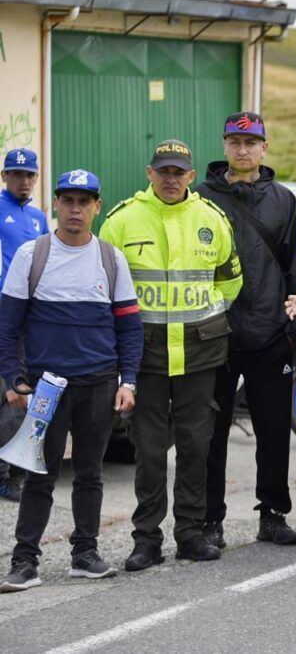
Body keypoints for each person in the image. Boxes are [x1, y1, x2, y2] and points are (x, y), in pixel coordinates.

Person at [100, 140, 243, 571]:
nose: (171, 179)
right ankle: (146, 539)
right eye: (163, 171)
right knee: (148, 449)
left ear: (190, 174)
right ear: (149, 173)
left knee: (197, 445)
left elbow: (230, 280)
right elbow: (103, 288)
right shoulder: (121, 221)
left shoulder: (212, 219)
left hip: (200, 350)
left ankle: (190, 534)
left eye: (179, 172)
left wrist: (207, 312)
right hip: (145, 354)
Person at [0, 169, 142, 592]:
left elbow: (129, 329)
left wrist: (128, 381)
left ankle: (85, 553)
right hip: (47, 388)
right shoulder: (33, 254)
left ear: (97, 207)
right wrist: (13, 379)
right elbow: (8, 327)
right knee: (38, 475)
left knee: (89, 473)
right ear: (56, 204)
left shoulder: (111, 259)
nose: (75, 209)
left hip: (99, 384)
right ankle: (24, 561)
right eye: (68, 201)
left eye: (84, 202)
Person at [198, 112, 296, 549]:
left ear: (265, 147)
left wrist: (293, 327)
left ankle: (273, 514)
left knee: (274, 430)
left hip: (268, 333)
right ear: (224, 146)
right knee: (210, 433)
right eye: (234, 142)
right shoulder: (200, 197)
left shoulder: (283, 201)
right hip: (215, 334)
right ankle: (209, 520)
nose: (243, 150)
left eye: (251, 143)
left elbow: (294, 269)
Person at [0, 147, 49, 503]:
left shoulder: (38, 217)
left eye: (29, 175)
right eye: (17, 175)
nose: (24, 180)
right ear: (5, 177)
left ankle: (13, 472)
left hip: (30, 319)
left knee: (25, 396)